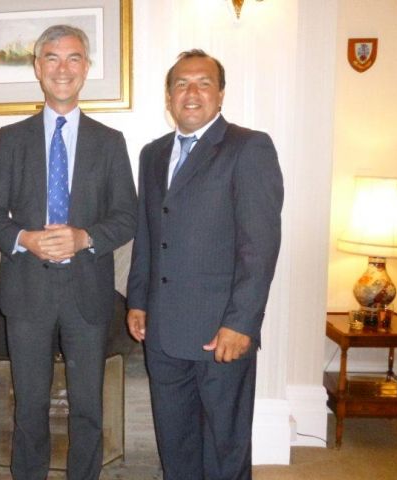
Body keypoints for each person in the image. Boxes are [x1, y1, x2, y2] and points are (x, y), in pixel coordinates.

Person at [0, 24, 137, 480]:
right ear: (37, 67)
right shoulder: (12, 138)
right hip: (26, 292)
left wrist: (84, 237)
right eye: (52, 58)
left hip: (88, 294)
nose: (62, 68)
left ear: (86, 68)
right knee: (29, 408)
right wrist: (24, 239)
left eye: (73, 58)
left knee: (88, 408)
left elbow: (127, 216)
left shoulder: (110, 142)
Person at [126, 49, 283, 480]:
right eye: (181, 84)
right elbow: (147, 233)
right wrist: (137, 300)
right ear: (168, 96)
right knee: (174, 442)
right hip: (162, 331)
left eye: (203, 83)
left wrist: (242, 323)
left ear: (221, 94)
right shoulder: (152, 154)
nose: (191, 93)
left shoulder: (248, 148)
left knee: (223, 446)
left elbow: (260, 247)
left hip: (220, 332)